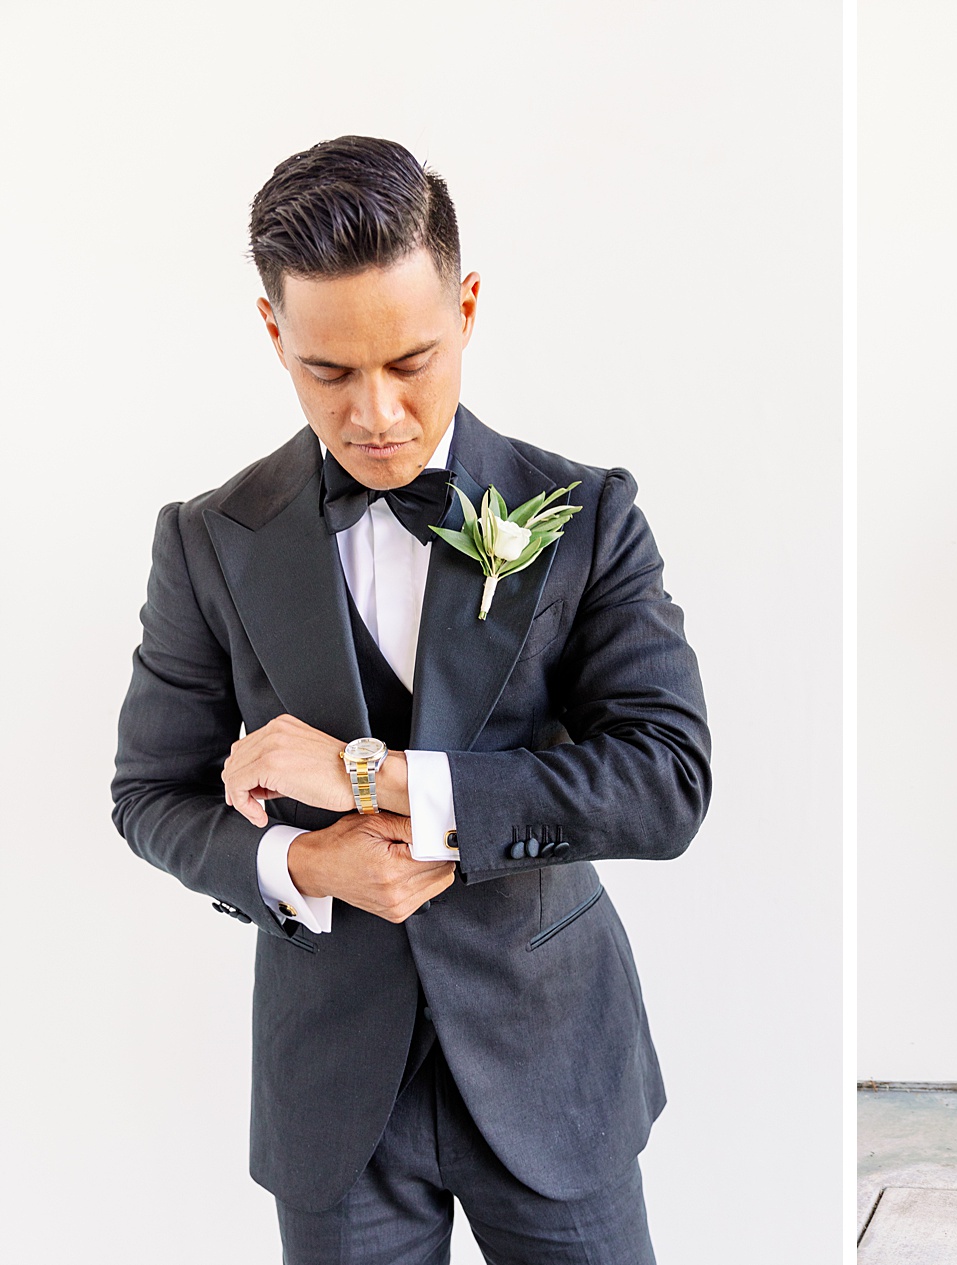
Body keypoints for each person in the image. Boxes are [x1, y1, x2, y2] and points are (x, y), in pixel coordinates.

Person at [111, 136, 710, 1264]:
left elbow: (666, 781)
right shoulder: (205, 540)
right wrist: (301, 866)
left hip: (550, 1060)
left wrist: (371, 778)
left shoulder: (584, 516)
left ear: (469, 306)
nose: (377, 412)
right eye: (328, 372)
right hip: (335, 1093)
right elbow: (149, 792)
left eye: (412, 359)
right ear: (273, 332)